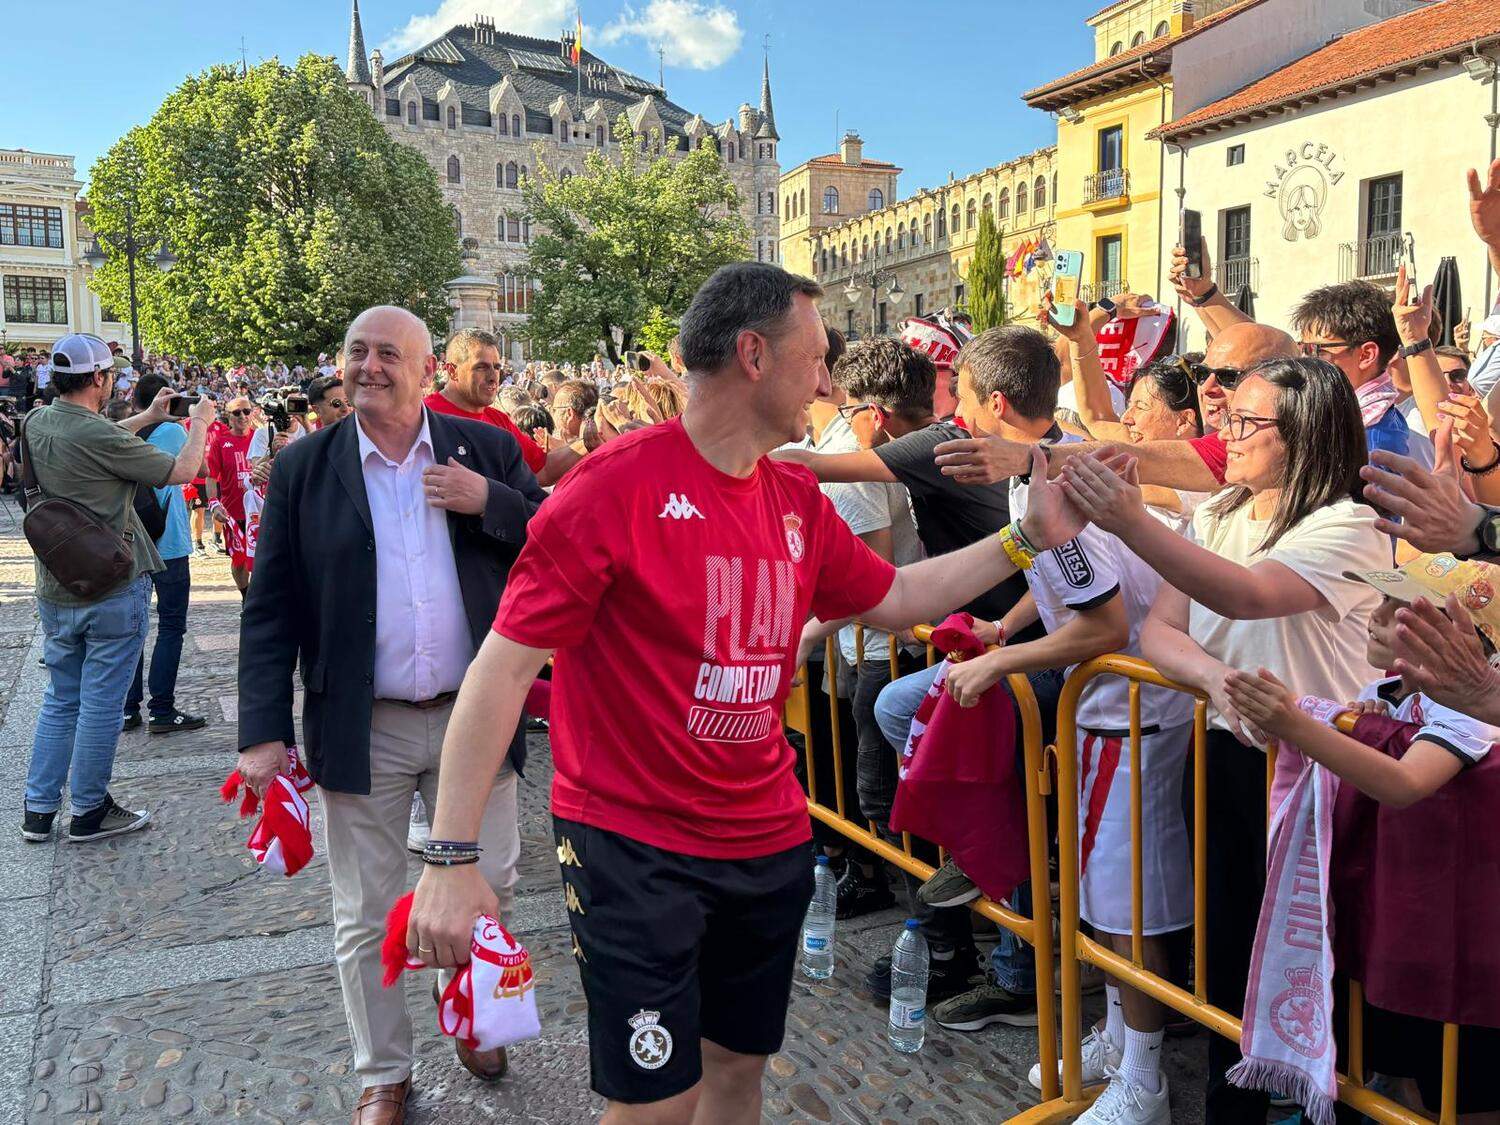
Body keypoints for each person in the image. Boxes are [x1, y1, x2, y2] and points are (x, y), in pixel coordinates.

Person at [405, 262, 1084, 1125]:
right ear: (754, 355)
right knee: (657, 1102)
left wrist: (1028, 537)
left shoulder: (794, 493)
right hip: (632, 844)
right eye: (817, 356)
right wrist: (452, 856)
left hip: (764, 840)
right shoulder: (612, 486)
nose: (829, 382)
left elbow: (898, 596)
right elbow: (503, 667)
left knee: (737, 1072)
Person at [1058, 357, 1390, 1125]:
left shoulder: (1349, 523)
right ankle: (1228, 1106)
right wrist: (1214, 678)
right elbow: (1161, 630)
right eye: (1228, 416)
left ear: (1303, 433)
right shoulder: (1220, 512)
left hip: (1320, 771)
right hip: (1223, 753)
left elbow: (1248, 594)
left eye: (1246, 420)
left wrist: (1131, 520)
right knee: (1226, 951)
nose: (1227, 433)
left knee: (1319, 960)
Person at [236, 306, 546, 1125]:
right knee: (365, 911)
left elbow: (553, 535)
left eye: (387, 354)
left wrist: (490, 500)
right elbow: (269, 604)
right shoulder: (305, 467)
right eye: (356, 351)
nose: (368, 366)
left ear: (426, 369)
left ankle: (470, 1012)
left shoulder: (484, 448)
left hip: (475, 717)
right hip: (360, 722)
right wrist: (262, 731)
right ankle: (384, 1073)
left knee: (491, 884)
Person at [20, 334, 214, 844]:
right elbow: (182, 471)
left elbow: (100, 440)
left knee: (61, 698)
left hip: (56, 582)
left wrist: (148, 417)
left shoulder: (37, 421)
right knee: (102, 704)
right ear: (99, 379)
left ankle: (38, 811)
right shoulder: (97, 435)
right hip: (110, 584)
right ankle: (89, 810)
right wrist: (199, 424)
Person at [122, 373, 206, 735]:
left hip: (131, 542)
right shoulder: (172, 431)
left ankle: (127, 708)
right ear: (168, 401)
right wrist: (198, 423)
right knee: (171, 625)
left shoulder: (122, 430)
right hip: (168, 542)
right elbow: (200, 468)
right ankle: (161, 709)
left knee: (132, 628)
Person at [425, 328, 579, 486]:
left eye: (497, 367)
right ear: (452, 371)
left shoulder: (499, 420)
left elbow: (542, 470)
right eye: (481, 367)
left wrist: (587, 442)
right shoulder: (423, 416)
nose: (493, 377)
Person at [204, 396, 257, 593]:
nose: (242, 416)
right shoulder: (220, 442)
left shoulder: (261, 438)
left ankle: (259, 599)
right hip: (233, 512)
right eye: (237, 412)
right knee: (239, 560)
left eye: (246, 411)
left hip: (260, 512)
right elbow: (211, 477)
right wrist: (214, 504)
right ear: (229, 416)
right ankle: (245, 597)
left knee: (261, 559)